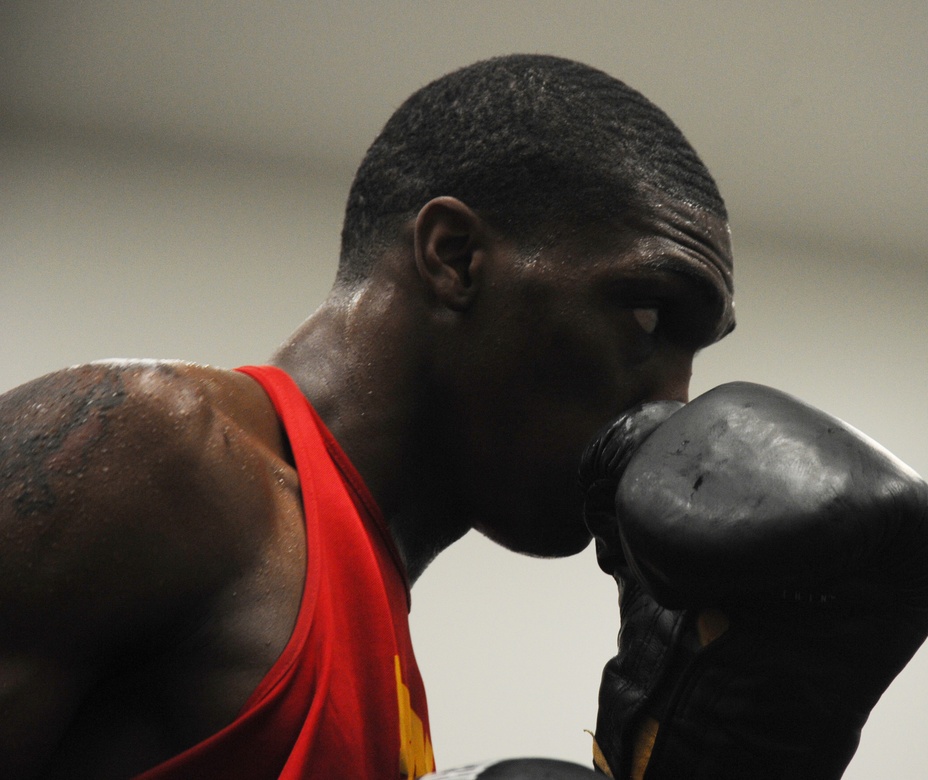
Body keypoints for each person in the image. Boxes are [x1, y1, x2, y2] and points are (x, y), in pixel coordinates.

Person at [0, 54, 736, 778]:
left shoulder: (384, 662)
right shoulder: (158, 449)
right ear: (454, 258)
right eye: (647, 316)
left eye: (693, 357)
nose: (672, 406)